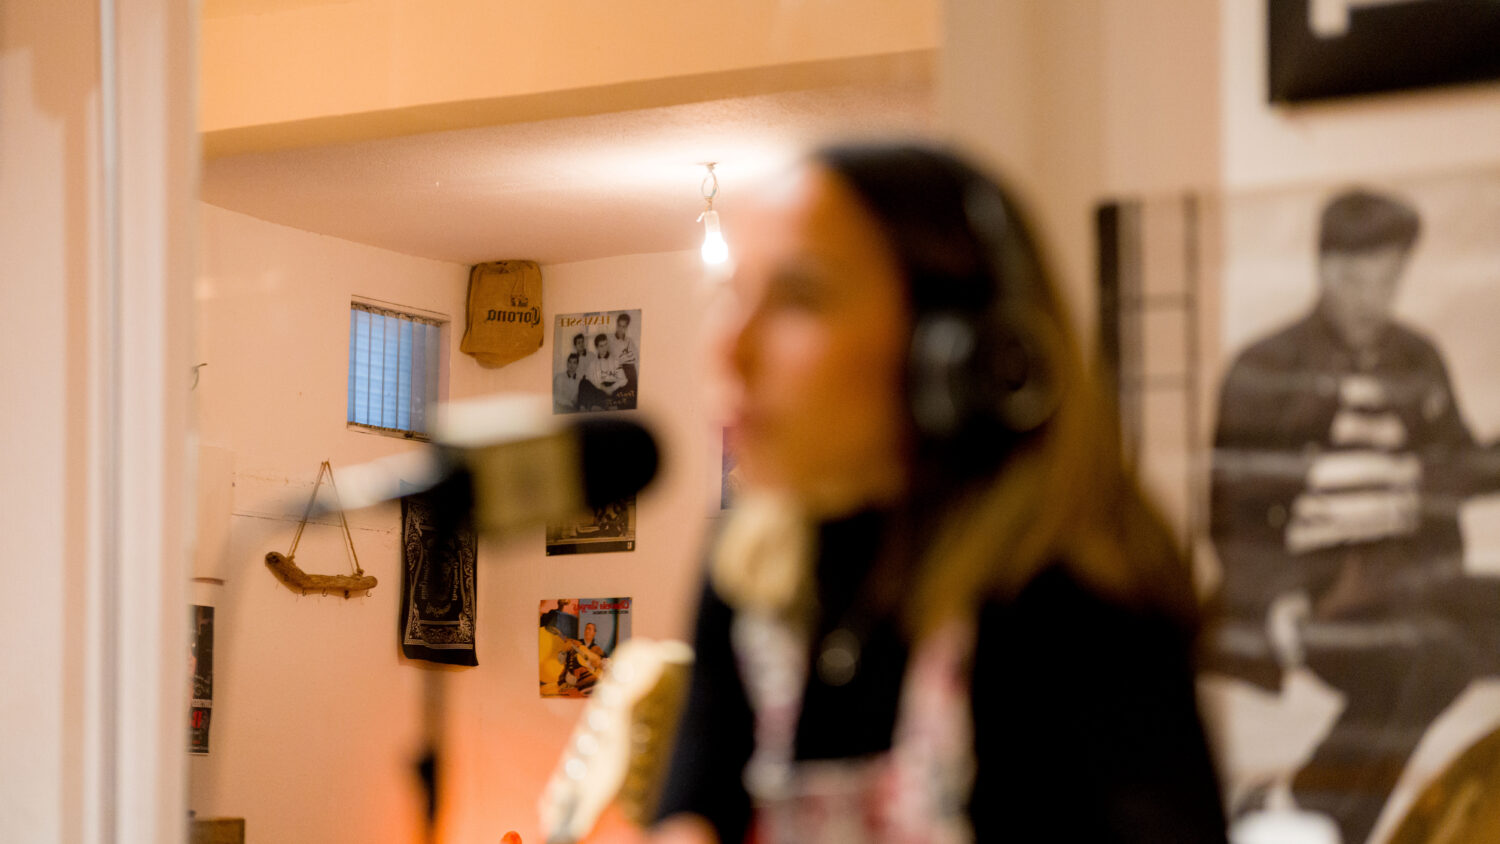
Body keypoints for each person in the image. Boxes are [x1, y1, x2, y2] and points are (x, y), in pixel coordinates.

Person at [642, 143, 1227, 843]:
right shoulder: (748, 563)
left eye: (799, 298)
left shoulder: (1074, 598)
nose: (728, 350)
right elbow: (694, 807)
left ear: (952, 349)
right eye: (731, 297)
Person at [1206, 188, 1500, 844]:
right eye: (1358, 281)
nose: (1375, 301)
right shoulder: (1265, 368)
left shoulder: (1416, 357)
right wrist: (1275, 598)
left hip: (1417, 577)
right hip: (1324, 589)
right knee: (1430, 658)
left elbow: (1458, 465)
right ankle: (1317, 818)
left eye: (1389, 281)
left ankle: (1296, 811)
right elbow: (1232, 516)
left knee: (1435, 652)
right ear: (1326, 270)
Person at [579, 334, 629, 411]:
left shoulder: (615, 360)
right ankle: (595, 405)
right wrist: (603, 387)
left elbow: (623, 379)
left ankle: (603, 404)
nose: (604, 348)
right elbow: (589, 378)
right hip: (600, 388)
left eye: (606, 344)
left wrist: (612, 388)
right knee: (583, 382)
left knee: (625, 388)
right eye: (601, 346)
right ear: (597, 347)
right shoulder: (593, 363)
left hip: (613, 388)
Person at [611, 312, 640, 405]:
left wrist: (624, 357)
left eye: (623, 327)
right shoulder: (611, 341)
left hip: (629, 369)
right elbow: (615, 359)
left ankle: (631, 402)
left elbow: (636, 357)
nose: (620, 329)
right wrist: (627, 356)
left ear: (626, 328)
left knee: (631, 369)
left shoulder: (630, 341)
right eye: (619, 326)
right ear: (616, 325)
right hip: (617, 369)